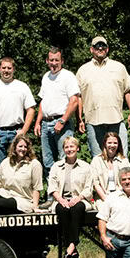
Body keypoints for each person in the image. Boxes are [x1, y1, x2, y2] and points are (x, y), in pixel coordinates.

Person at [76, 36, 130, 157]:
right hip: (93, 121)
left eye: (103, 46)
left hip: (116, 120)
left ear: (107, 49)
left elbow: (128, 92)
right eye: (97, 46)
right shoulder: (83, 70)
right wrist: (79, 119)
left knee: (121, 158)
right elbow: (78, 97)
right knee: (98, 160)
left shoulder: (119, 67)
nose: (100, 48)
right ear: (91, 49)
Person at [0, 57, 36, 182]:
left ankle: (18, 197)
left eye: (9, 68)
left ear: (14, 69)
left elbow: (31, 109)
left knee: (20, 167)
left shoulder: (22, 87)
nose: (6, 71)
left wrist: (23, 131)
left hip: (16, 133)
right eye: (4, 68)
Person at [33, 47, 80, 181]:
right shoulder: (46, 77)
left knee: (65, 159)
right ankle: (52, 196)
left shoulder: (68, 76)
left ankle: (65, 194)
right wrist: (37, 122)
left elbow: (74, 101)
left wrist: (62, 121)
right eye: (51, 60)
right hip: (46, 123)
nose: (54, 63)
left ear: (62, 61)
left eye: (57, 60)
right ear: (47, 61)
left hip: (62, 123)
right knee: (47, 161)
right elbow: (43, 102)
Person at [48, 136, 94, 258]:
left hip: (80, 199)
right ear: (63, 149)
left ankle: (71, 245)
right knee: (62, 210)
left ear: (77, 148)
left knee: (76, 208)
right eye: (66, 147)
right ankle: (71, 246)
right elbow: (52, 187)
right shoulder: (56, 166)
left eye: (72, 146)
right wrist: (61, 200)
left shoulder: (86, 166)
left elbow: (88, 188)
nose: (69, 149)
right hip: (61, 200)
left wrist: (78, 198)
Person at [0, 134, 43, 215]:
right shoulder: (6, 162)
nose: (23, 149)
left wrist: (35, 207)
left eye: (25, 147)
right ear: (15, 147)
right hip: (5, 194)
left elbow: (37, 188)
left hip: (22, 199)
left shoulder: (34, 164)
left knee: (1, 204)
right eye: (20, 146)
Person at [90, 132, 130, 201]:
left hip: (121, 196)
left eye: (115, 143)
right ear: (105, 144)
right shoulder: (96, 160)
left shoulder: (124, 161)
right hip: (102, 197)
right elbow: (95, 183)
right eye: (109, 143)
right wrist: (105, 199)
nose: (112, 145)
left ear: (118, 145)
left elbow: (128, 181)